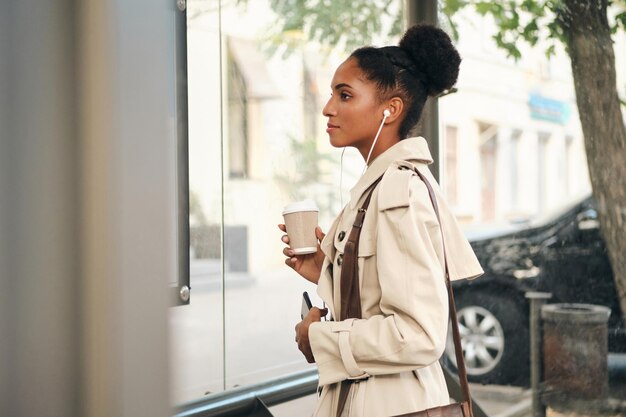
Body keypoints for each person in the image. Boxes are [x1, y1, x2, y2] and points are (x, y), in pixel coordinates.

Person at [278, 24, 483, 417]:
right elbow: (379, 301)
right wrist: (327, 269)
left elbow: (418, 333)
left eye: (345, 94)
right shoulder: (380, 186)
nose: (328, 108)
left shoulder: (398, 192)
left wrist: (318, 337)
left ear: (390, 109)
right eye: (332, 94)